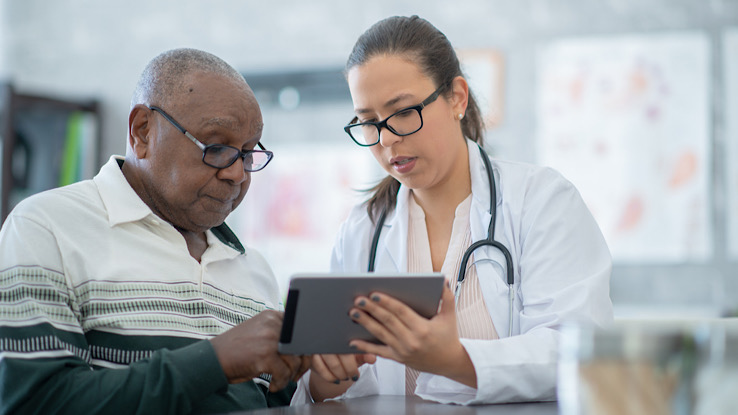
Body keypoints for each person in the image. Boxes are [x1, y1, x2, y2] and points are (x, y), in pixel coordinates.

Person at [292, 15, 613, 405]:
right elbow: (339, 390)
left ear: (457, 98)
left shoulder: (541, 202)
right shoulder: (362, 231)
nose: (387, 138)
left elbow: (578, 352)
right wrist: (327, 378)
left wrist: (454, 360)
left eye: (405, 111)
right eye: (368, 122)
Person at [0, 48, 310, 414]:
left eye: (246, 153)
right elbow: (33, 403)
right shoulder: (47, 228)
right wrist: (214, 361)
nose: (237, 174)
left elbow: (268, 402)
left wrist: (316, 384)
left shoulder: (253, 268)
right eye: (215, 147)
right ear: (143, 131)